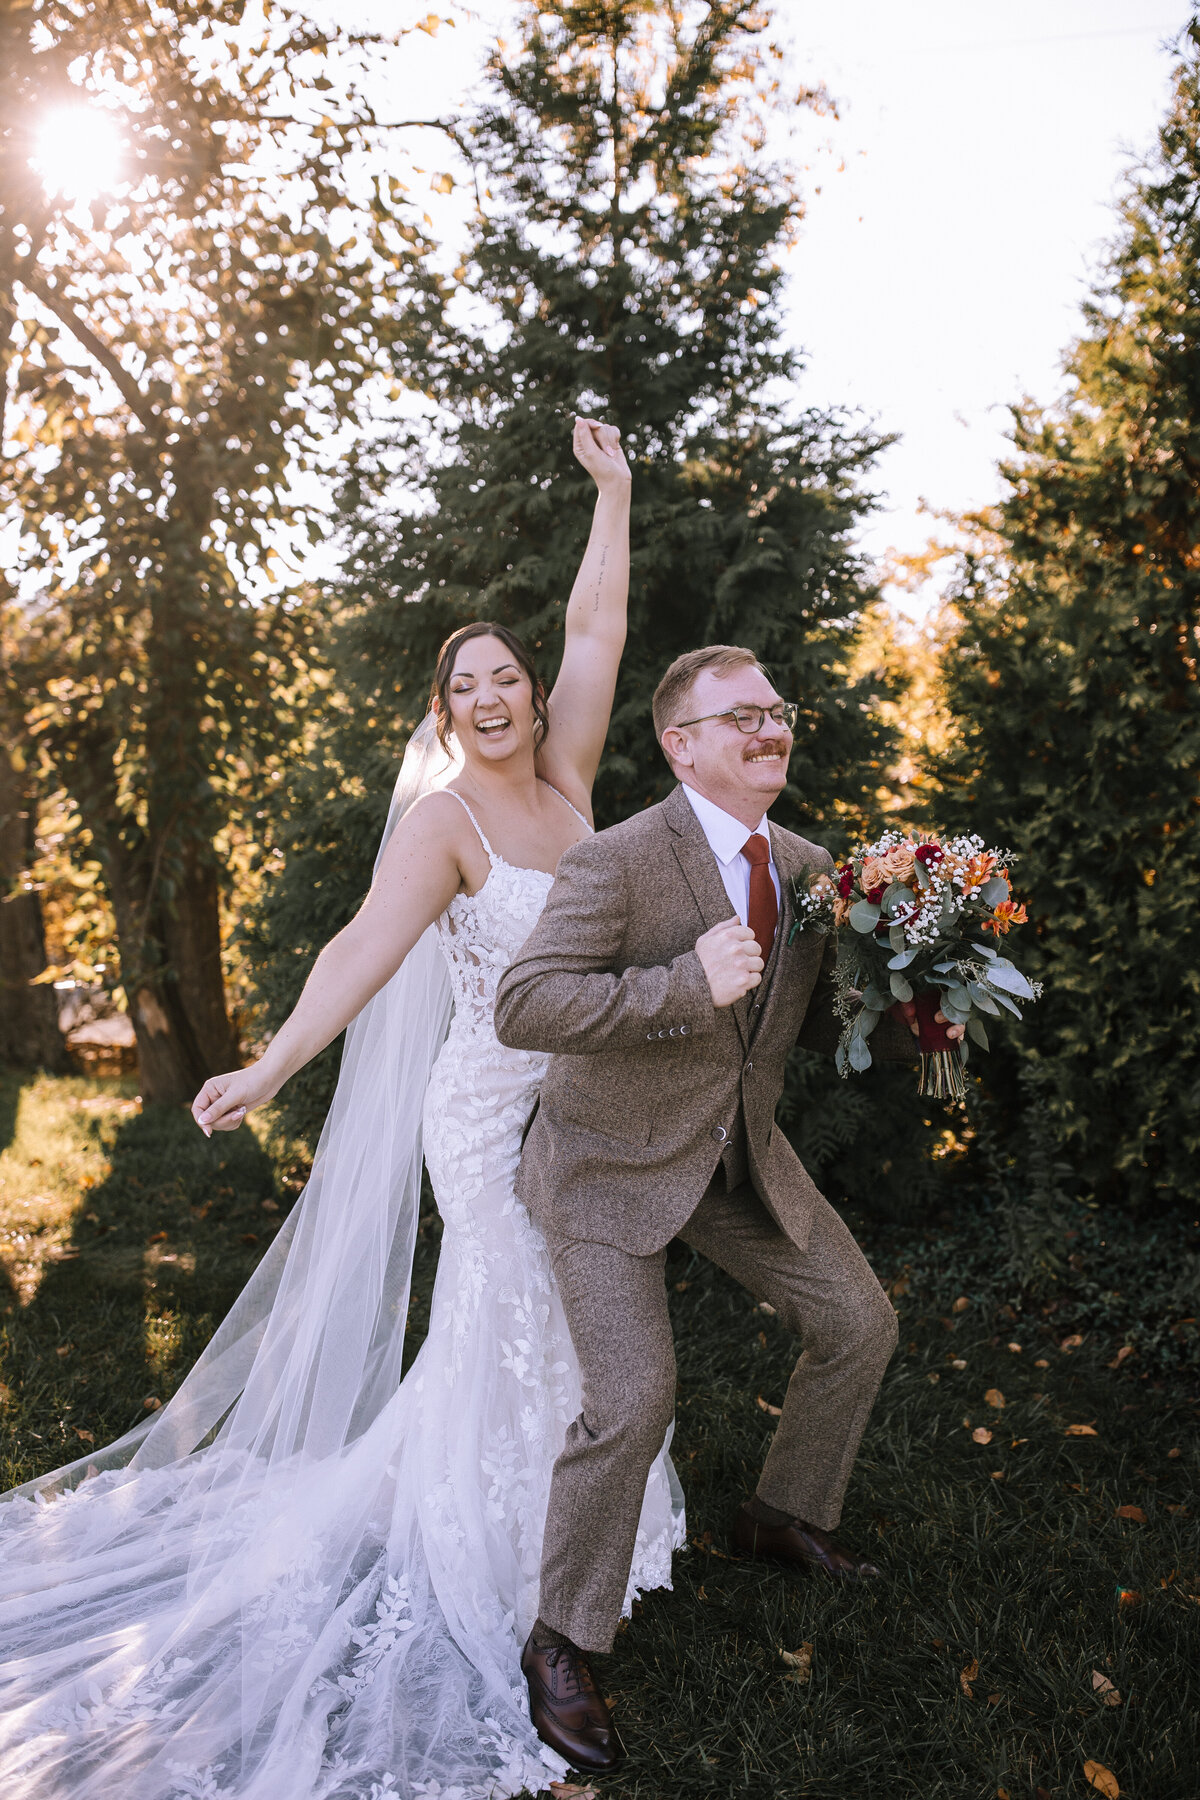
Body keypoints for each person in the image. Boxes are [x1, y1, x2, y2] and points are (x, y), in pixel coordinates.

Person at [0, 421, 683, 1800]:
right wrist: (267, 1068)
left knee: (587, 1308)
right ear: (445, 718)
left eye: (508, 677)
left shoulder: (566, 783)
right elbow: (359, 954)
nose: (492, 697)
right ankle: (503, 1557)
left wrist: (612, 494)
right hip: (488, 1120)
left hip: (587, 1112)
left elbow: (599, 628)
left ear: (533, 696)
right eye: (466, 688)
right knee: (512, 1308)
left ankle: (599, 1531)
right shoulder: (450, 827)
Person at [494, 642, 964, 1772]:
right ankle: (560, 1637)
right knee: (637, 1396)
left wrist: (908, 1001)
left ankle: (779, 1513)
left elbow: (797, 1022)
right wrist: (675, 986)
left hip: (734, 1157)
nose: (771, 729)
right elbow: (525, 1002)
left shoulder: (809, 867)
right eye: (740, 715)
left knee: (859, 1322)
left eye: (776, 711)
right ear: (682, 744)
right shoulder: (616, 860)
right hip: (604, 1165)